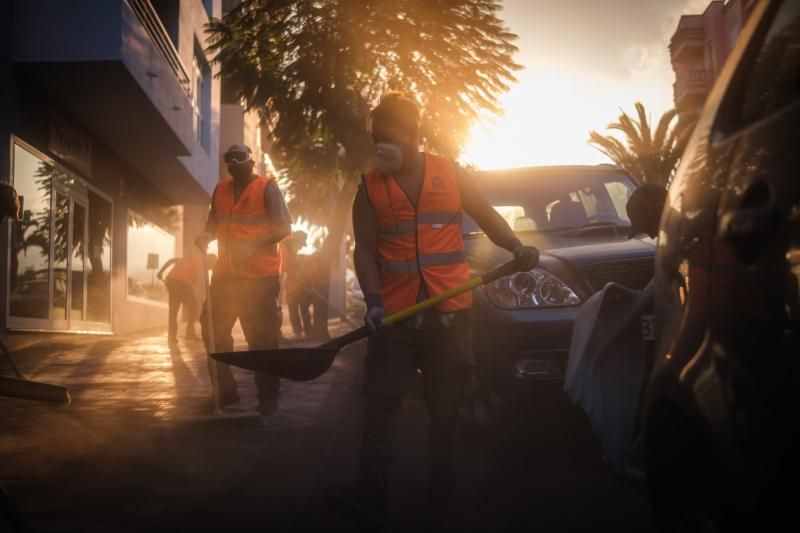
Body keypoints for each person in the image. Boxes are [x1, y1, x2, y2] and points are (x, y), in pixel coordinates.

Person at [329, 93, 540, 526]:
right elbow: (365, 252)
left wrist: (517, 246)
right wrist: (372, 303)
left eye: (389, 137)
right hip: (394, 318)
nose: (380, 146)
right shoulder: (369, 187)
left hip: (449, 313)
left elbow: (487, 217)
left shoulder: (450, 172)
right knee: (382, 404)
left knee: (446, 405)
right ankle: (371, 495)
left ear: (413, 135)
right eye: (375, 138)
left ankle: (442, 490)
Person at [195, 144, 292, 415]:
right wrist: (205, 236)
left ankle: (268, 398)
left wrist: (254, 245)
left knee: (261, 339)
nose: (235, 163)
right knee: (212, 330)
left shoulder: (267, 188)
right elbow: (213, 222)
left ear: (251, 162)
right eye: (230, 159)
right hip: (225, 277)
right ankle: (225, 392)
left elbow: (285, 227)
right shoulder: (221, 190)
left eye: (241, 158)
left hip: (260, 279)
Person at [156, 254, 217, 346]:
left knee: (173, 311)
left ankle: (172, 337)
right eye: (212, 264)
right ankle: (190, 334)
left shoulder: (191, 257)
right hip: (182, 283)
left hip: (172, 281)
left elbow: (171, 260)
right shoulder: (202, 265)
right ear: (209, 260)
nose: (211, 267)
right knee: (194, 305)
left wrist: (160, 272)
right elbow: (196, 279)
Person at [281, 231, 314, 338]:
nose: (300, 247)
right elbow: (287, 268)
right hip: (293, 287)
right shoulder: (287, 250)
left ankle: (305, 332)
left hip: (298, 287)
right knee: (296, 310)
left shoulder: (293, 252)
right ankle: (300, 332)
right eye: (300, 244)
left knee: (301, 310)